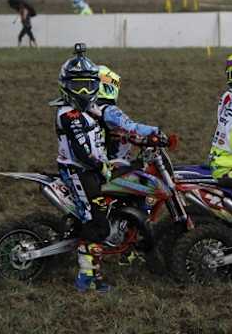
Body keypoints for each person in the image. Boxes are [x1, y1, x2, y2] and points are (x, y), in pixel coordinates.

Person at [53, 43, 111, 293]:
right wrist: (101, 166)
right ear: (65, 86)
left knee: (103, 215)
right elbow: (80, 150)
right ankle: (87, 278)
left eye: (88, 84)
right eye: (78, 85)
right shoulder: (68, 115)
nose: (84, 90)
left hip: (92, 171)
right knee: (94, 223)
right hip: (78, 171)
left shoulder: (90, 110)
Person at [94, 65, 160, 165]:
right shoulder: (108, 110)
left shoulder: (83, 110)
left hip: (91, 166)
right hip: (113, 169)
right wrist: (155, 131)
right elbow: (131, 127)